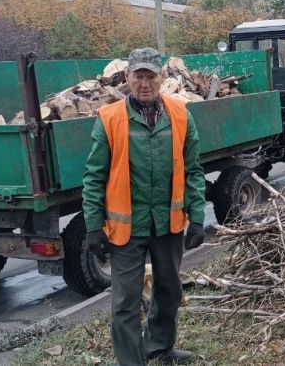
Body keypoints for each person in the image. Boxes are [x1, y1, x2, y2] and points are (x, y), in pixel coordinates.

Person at [82, 47, 206, 366]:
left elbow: (193, 170)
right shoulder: (109, 120)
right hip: (127, 229)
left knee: (169, 293)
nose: (145, 83)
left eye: (151, 75)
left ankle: (159, 348)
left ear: (163, 77)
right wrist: (94, 227)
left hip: (167, 224)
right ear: (127, 78)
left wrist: (197, 217)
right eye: (139, 76)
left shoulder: (180, 115)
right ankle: (131, 362)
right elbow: (94, 177)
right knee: (125, 302)